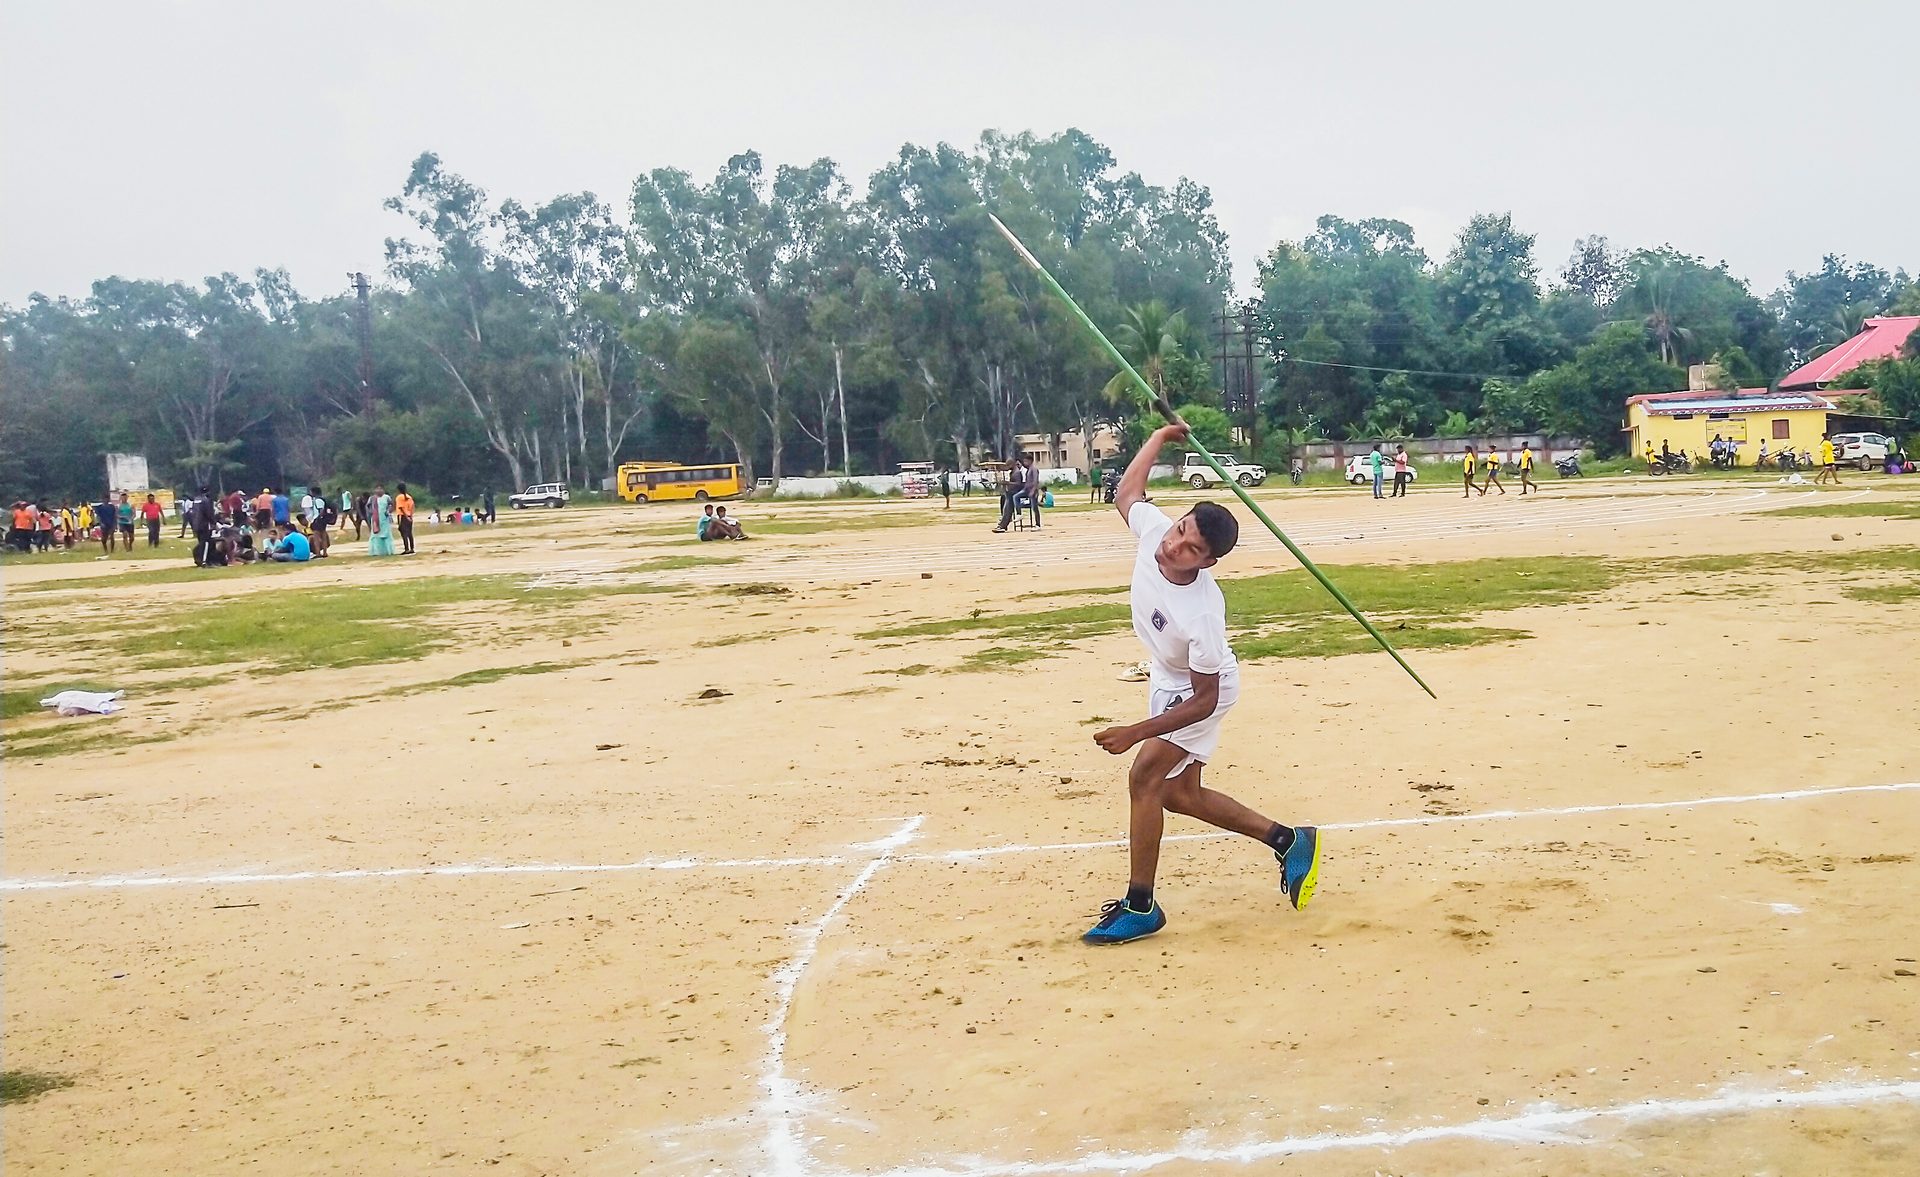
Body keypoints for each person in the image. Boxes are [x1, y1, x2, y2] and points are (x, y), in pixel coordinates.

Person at [1081, 421, 1318, 946]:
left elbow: (1205, 698)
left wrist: (1138, 732)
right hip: (1169, 681)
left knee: (1144, 780)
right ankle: (1288, 839)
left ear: (1208, 562)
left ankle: (1140, 905)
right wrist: (1162, 438)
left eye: (1190, 548)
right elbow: (1127, 493)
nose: (1174, 545)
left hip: (1202, 693)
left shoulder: (1203, 616)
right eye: (1179, 529)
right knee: (1177, 794)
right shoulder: (1154, 532)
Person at [993, 455, 1040, 533]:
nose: (1024, 463)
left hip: (1023, 493)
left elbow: (1021, 484)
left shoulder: (1018, 472)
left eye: (1008, 465)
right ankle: (1003, 521)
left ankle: (1005, 523)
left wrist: (1008, 483)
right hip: (1018, 492)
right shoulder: (1017, 472)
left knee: (1009, 505)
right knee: (1004, 499)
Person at [368, 484, 395, 556]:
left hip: (384, 519)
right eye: (377, 489)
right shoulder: (372, 498)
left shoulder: (387, 497)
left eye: (381, 489)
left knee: (386, 534)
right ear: (374, 490)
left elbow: (391, 505)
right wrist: (371, 512)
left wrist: (388, 511)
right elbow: (368, 506)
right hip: (375, 519)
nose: (379, 490)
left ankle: (388, 551)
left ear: (383, 490)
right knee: (376, 535)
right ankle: (376, 552)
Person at [395, 482, 416, 554]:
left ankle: (406, 548)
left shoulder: (399, 497)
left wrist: (406, 517)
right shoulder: (409, 497)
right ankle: (412, 548)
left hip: (402, 516)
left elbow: (401, 508)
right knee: (409, 533)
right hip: (409, 515)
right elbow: (412, 507)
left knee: (403, 533)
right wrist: (410, 516)